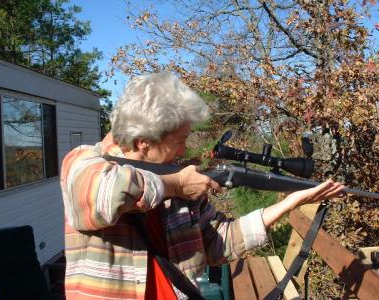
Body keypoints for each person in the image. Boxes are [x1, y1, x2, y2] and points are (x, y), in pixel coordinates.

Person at [60, 71, 344, 300]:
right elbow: (107, 194)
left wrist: (289, 202)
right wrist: (177, 184)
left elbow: (219, 242)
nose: (184, 151)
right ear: (142, 142)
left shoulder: (180, 182)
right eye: (180, 141)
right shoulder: (84, 161)